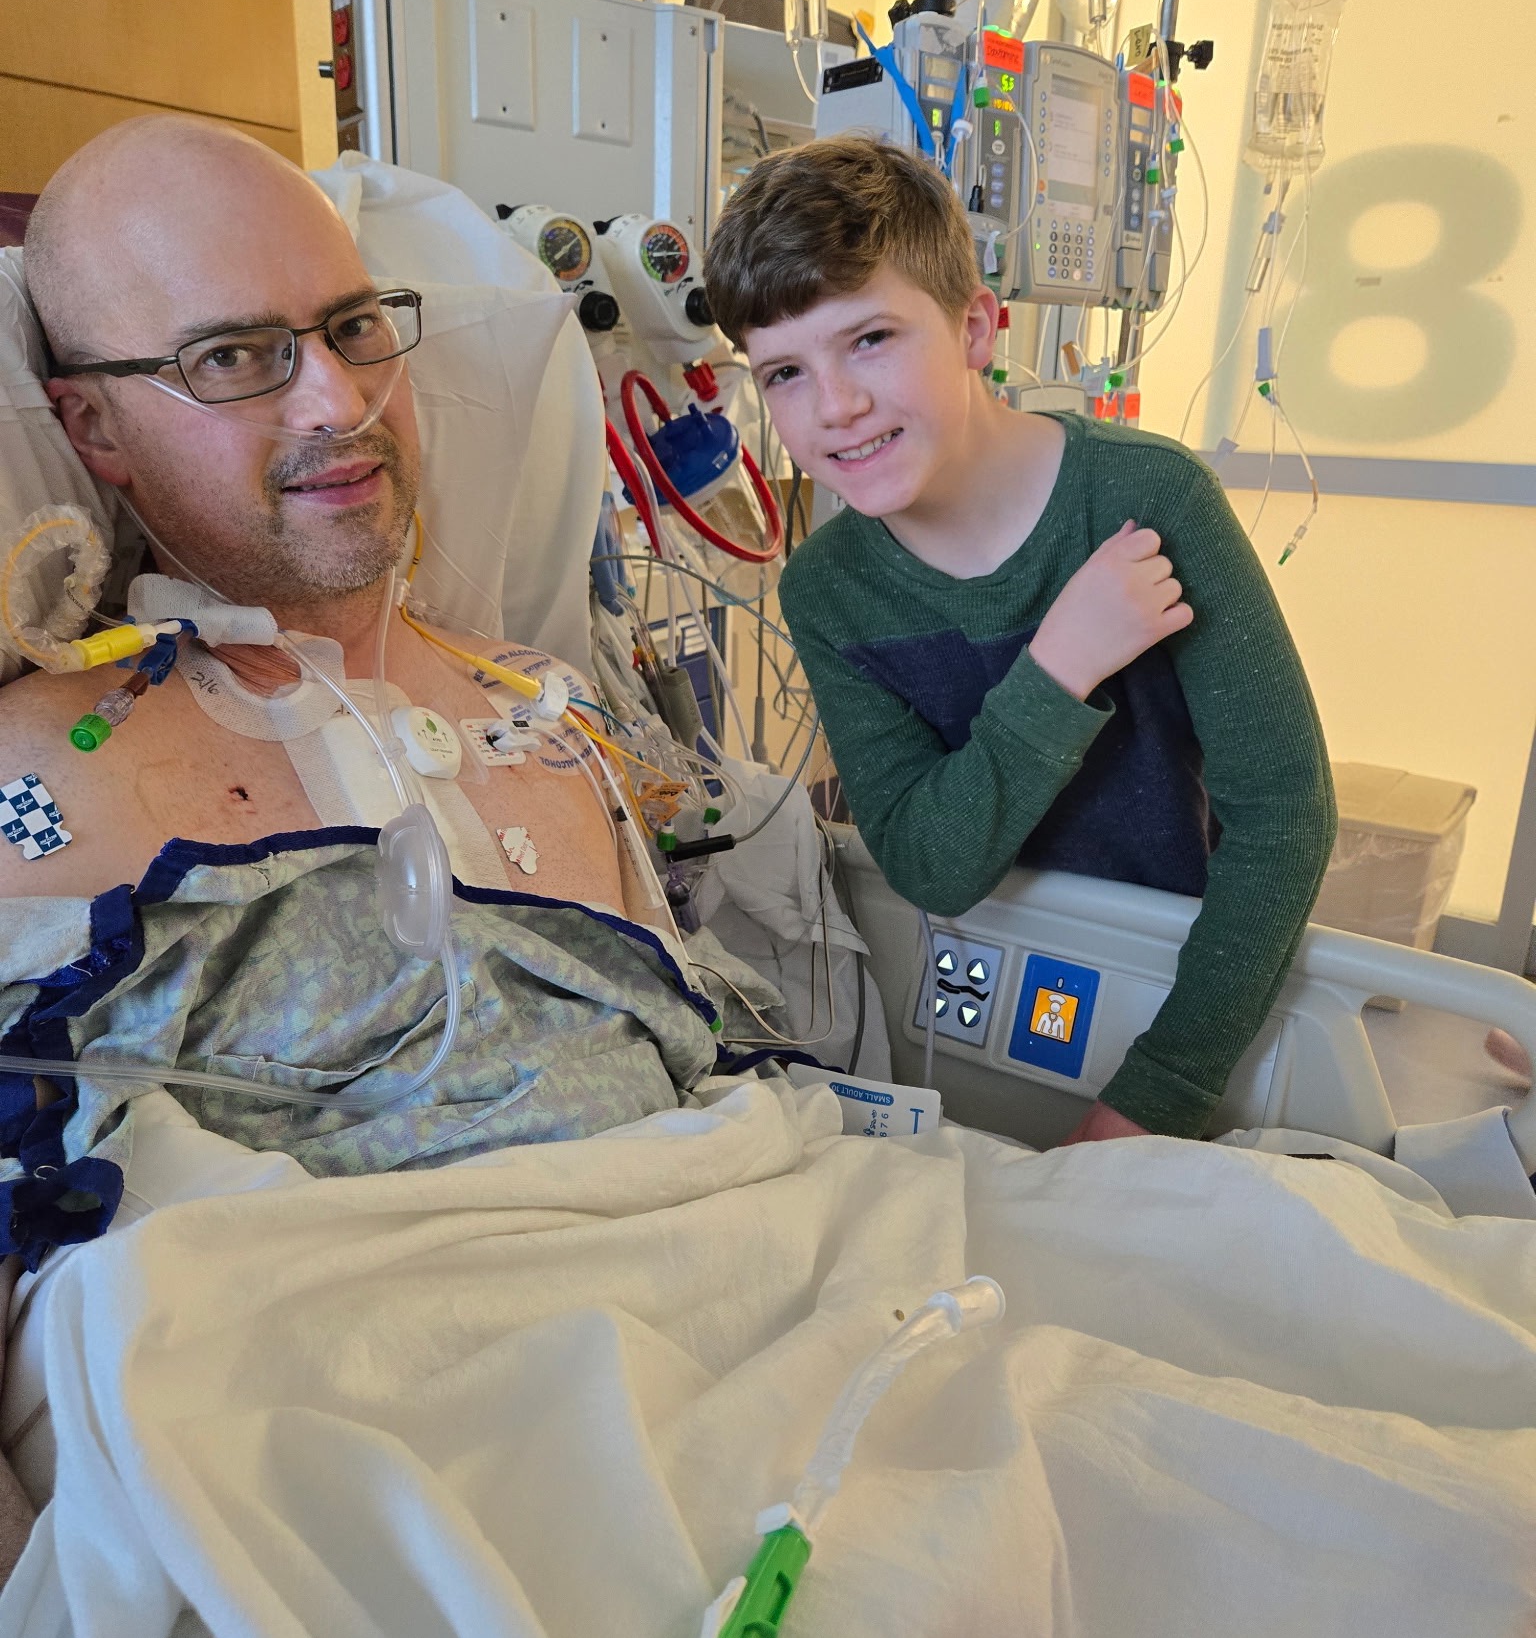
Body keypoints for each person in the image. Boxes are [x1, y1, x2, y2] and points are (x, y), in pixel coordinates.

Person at [0, 119, 732, 1563]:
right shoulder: (37, 783)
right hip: (363, 1519)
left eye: (350, 329)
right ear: (94, 431)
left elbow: (718, 1101)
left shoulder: (551, 718)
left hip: (733, 1368)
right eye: (232, 356)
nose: (338, 399)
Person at [704, 135, 1338, 1146]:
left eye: (871, 339)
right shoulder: (828, 589)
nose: (836, 407)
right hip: (976, 984)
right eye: (784, 370)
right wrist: (1061, 664)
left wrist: (1164, 1089)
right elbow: (927, 865)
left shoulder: (1150, 500)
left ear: (974, 327)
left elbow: (1285, 815)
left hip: (1176, 984)